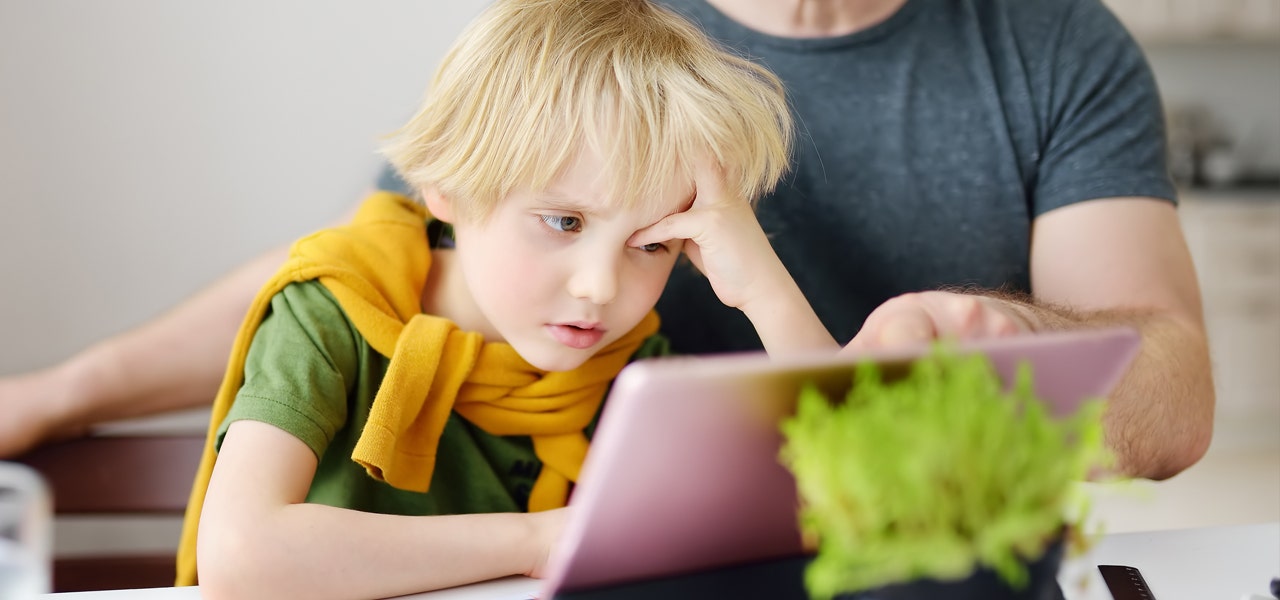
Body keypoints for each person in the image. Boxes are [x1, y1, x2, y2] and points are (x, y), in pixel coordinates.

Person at [0, 0, 1213, 483]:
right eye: (573, 225)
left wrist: (1006, 341)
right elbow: (368, 275)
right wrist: (63, 392)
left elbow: (1169, 405)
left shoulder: (1055, 46)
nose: (599, 276)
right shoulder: (597, 41)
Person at [182, 1, 832, 597]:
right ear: (449, 186)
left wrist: (763, 290)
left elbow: (856, 497)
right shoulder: (332, 313)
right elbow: (241, 556)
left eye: (652, 245)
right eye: (565, 223)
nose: (600, 287)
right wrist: (538, 540)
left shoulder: (638, 370)